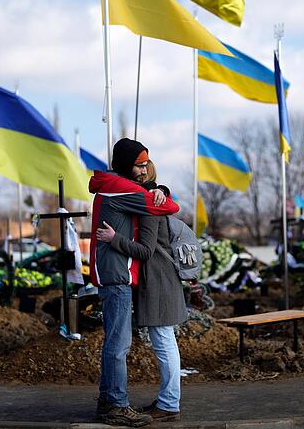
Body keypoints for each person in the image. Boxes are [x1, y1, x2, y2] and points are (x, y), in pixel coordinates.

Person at [89, 138, 179, 427]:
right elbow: (170, 208)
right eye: (139, 164)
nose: (143, 169)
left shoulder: (112, 184)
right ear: (127, 165)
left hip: (113, 274)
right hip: (116, 276)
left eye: (145, 165)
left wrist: (159, 189)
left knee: (114, 342)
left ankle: (107, 401)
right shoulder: (120, 188)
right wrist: (160, 194)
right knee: (119, 344)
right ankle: (116, 405)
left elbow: (154, 198)